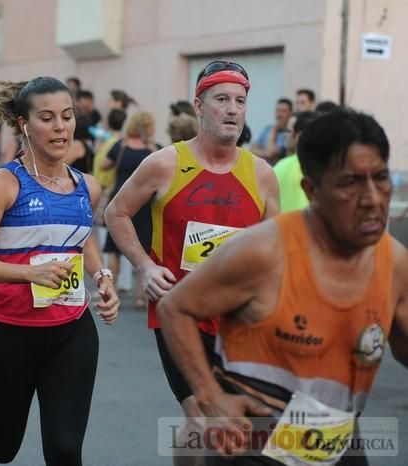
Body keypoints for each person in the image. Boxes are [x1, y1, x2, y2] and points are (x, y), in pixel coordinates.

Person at [156, 109, 408, 465]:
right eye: (350, 183)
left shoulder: (395, 262)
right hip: (253, 444)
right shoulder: (262, 251)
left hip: (336, 443)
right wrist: (210, 397)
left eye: (380, 178)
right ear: (312, 190)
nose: (371, 198)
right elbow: (175, 307)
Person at [104, 60, 279, 465]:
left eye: (240, 100)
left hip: (239, 321)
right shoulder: (164, 163)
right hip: (179, 315)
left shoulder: (262, 174)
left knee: (225, 424)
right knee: (202, 416)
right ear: (199, 107)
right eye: (222, 100)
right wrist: (145, 267)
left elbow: (274, 250)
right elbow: (116, 212)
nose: (233, 109)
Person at [0, 76, 120, 466]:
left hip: (71, 332)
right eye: (47, 118)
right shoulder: (3, 184)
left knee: (66, 450)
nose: (60, 126)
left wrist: (103, 279)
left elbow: (81, 240)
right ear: (23, 124)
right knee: (4, 445)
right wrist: (29, 274)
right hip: (4, 334)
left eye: (67, 117)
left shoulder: (88, 187)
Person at [101, 111, 160, 309]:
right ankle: (141, 297)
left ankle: (112, 289)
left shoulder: (121, 146)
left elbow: (103, 166)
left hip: (120, 200)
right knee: (144, 247)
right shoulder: (154, 150)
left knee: (114, 247)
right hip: (145, 205)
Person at [274, 111, 318, 212]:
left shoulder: (279, 167)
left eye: (289, 131)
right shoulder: (328, 169)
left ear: (298, 136)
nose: (286, 135)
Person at [252, 98, 293, 164]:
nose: (279, 114)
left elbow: (271, 153)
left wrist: (274, 130)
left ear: (290, 113)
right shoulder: (267, 128)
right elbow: (253, 149)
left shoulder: (290, 134)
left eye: (284, 111)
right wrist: (266, 153)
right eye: (278, 110)